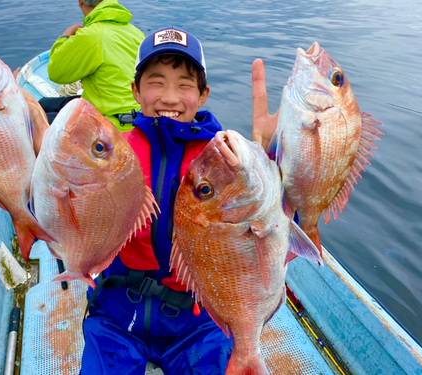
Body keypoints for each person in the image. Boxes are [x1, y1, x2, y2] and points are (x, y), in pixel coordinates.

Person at [80, 26, 278, 375]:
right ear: (136, 91)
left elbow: (274, 216)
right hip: (117, 308)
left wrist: (271, 156)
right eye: (156, 81)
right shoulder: (112, 152)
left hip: (199, 316)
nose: (170, 97)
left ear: (203, 95)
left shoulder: (225, 161)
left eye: (185, 84)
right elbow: (66, 210)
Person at [45, 0, 144, 131]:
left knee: (37, 117)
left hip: (108, 124)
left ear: (80, 2)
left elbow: (55, 72)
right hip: (136, 117)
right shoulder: (137, 33)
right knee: (45, 103)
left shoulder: (92, 34)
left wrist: (65, 36)